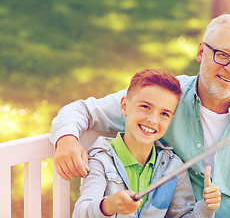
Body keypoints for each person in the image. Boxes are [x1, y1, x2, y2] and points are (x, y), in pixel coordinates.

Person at [51, 14, 230, 217]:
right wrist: (67, 139)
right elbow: (83, 110)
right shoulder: (166, 99)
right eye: (222, 55)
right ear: (201, 52)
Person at [73, 69, 221, 217]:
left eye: (164, 114)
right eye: (145, 107)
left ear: (170, 119)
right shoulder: (101, 159)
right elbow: (81, 213)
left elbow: (182, 215)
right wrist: (109, 205)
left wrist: (206, 208)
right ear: (124, 106)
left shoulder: (174, 168)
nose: (153, 120)